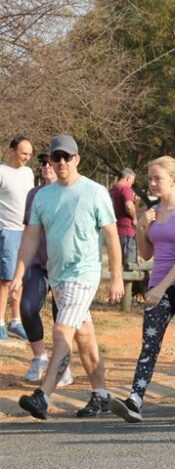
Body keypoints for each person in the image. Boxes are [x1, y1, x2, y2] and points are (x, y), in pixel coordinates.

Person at [13, 135, 124, 419]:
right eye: (56, 157)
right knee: (84, 335)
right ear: (50, 160)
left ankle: (43, 395)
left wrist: (116, 278)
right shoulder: (42, 196)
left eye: (67, 157)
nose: (61, 162)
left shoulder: (95, 192)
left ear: (77, 159)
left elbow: (112, 235)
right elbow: (31, 238)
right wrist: (19, 274)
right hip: (58, 276)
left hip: (84, 274)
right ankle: (101, 395)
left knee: (61, 332)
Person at [109, 156, 175, 423]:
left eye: (158, 179)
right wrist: (141, 226)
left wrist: (161, 287)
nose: (152, 183)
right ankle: (135, 400)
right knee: (149, 345)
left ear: (174, 180)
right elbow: (146, 254)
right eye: (150, 178)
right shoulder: (152, 212)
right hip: (158, 287)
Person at [20, 152, 72, 385]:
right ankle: (40, 357)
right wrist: (21, 265)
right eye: (43, 162)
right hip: (38, 264)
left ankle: (63, 365)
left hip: (64, 266)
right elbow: (28, 232)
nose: (47, 166)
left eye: (51, 162)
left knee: (63, 318)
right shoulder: (34, 194)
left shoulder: (71, 192)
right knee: (27, 308)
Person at [0, 136, 34, 341]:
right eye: (23, 153)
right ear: (12, 151)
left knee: (20, 279)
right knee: (5, 280)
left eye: (29, 154)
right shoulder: (2, 172)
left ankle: (15, 321)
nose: (27, 157)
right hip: (8, 231)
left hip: (26, 232)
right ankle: (0, 323)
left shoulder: (29, 173)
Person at [109, 168, 138, 269]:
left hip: (114, 231)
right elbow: (129, 206)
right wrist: (134, 218)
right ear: (128, 178)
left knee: (116, 265)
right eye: (132, 181)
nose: (132, 184)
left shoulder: (111, 190)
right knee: (129, 266)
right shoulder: (125, 189)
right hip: (127, 231)